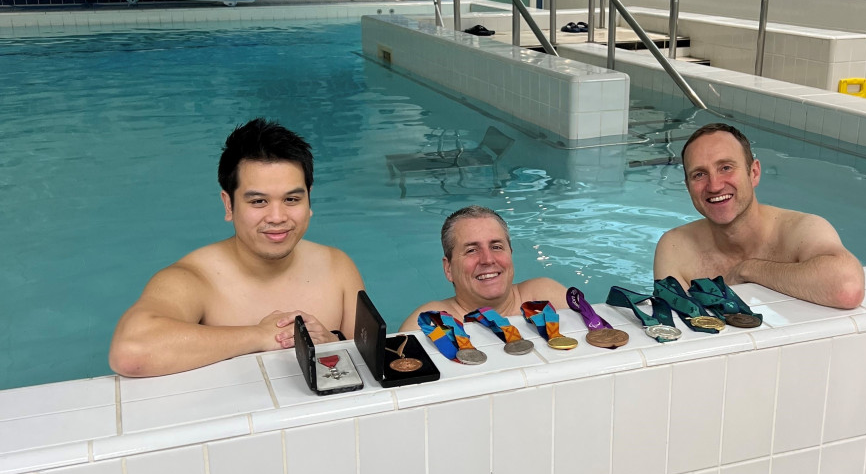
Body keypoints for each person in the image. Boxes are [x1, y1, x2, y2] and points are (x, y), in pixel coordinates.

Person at [109, 118, 365, 377]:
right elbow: (131, 353)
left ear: (309, 199)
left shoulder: (336, 266)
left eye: (291, 199)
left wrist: (330, 342)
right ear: (229, 205)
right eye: (258, 201)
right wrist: (260, 336)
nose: (277, 217)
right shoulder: (194, 278)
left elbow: (372, 365)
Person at [654, 123, 865, 309]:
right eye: (699, 174)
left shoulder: (802, 230)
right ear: (688, 187)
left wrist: (748, 269)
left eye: (726, 168)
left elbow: (847, 288)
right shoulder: (676, 248)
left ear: (753, 173)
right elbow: (674, 332)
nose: (715, 185)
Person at [400, 205, 567, 330]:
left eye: (496, 247)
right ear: (448, 268)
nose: (488, 259)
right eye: (471, 250)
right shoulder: (427, 323)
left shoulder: (546, 296)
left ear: (510, 254)